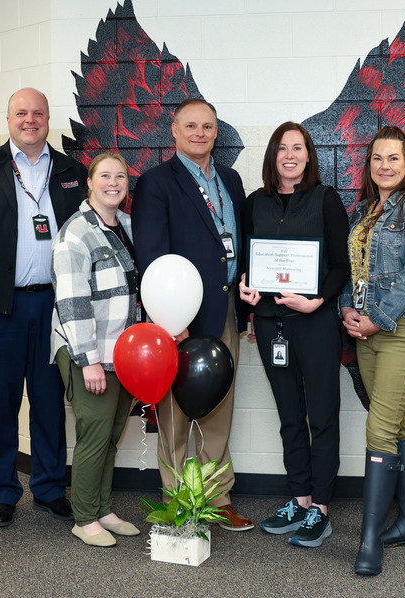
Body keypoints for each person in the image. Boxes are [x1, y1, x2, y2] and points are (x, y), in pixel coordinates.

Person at [0, 88, 88, 528]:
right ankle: (2, 491)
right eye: (21, 113)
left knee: (50, 399)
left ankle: (50, 486)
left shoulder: (72, 170)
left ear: (49, 119)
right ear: (8, 118)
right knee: (0, 400)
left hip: (53, 306)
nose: (29, 120)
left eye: (38, 113)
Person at [131, 98, 252, 531]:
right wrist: (168, 317)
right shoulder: (156, 183)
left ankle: (218, 500)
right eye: (191, 126)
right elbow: (150, 255)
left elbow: (239, 244)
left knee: (220, 409)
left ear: (216, 133)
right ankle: (178, 502)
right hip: (179, 318)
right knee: (176, 414)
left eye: (208, 127)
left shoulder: (231, 181)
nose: (200, 133)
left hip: (225, 311)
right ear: (175, 131)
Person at [238, 122, 351, 548]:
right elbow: (246, 262)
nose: (290, 155)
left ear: (309, 155)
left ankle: (321, 508)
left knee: (321, 415)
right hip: (270, 325)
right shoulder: (255, 203)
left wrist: (318, 300)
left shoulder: (326, 199)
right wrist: (247, 287)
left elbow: (341, 265)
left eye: (298, 148)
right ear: (272, 156)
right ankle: (300, 499)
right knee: (289, 416)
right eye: (282, 148)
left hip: (314, 321)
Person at [339, 126, 405, 576]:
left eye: (393, 159)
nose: (385, 166)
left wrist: (376, 316)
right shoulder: (363, 210)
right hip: (366, 332)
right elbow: (352, 270)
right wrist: (347, 311)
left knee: (378, 429)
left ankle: (369, 539)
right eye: (378, 158)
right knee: (399, 422)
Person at [50, 153, 141, 548]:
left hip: (122, 352)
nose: (113, 183)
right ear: (89, 182)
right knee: (93, 435)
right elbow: (72, 302)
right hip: (87, 353)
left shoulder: (128, 227)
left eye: (120, 176)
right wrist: (88, 360)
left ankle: (103, 507)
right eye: (104, 175)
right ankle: (84, 517)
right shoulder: (76, 233)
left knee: (112, 435)